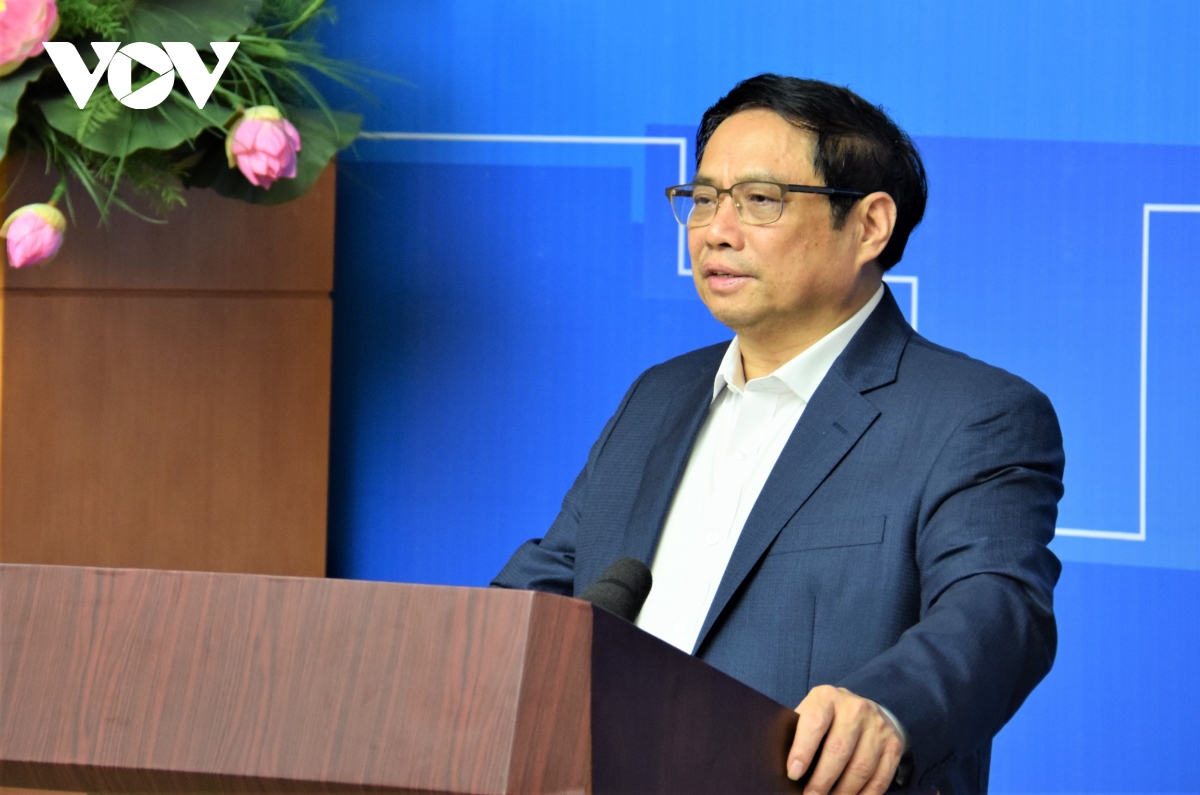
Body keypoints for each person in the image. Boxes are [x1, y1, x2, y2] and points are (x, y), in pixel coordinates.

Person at [492, 74, 1064, 795]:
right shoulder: (656, 397)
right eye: (703, 199)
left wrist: (890, 709)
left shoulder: (973, 414)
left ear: (869, 226)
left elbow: (998, 610)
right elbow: (542, 594)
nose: (715, 230)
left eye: (760, 200)